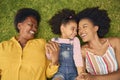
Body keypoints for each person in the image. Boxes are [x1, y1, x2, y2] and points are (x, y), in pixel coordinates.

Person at [0, 8, 60, 80]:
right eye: (30, 24)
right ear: (19, 26)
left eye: (36, 27)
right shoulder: (3, 47)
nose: (34, 29)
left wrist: (55, 60)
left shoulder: (42, 44)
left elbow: (48, 74)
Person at [76, 7, 120, 80]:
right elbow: (82, 75)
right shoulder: (82, 52)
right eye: (79, 29)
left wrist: (94, 78)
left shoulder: (115, 42)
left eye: (85, 26)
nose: (81, 32)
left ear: (95, 28)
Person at [47, 8, 84, 80]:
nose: (75, 32)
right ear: (62, 28)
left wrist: (80, 74)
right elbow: (50, 58)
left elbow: (78, 57)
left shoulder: (75, 40)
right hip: (59, 73)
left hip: (73, 73)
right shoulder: (54, 40)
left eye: (76, 30)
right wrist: (47, 51)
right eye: (72, 29)